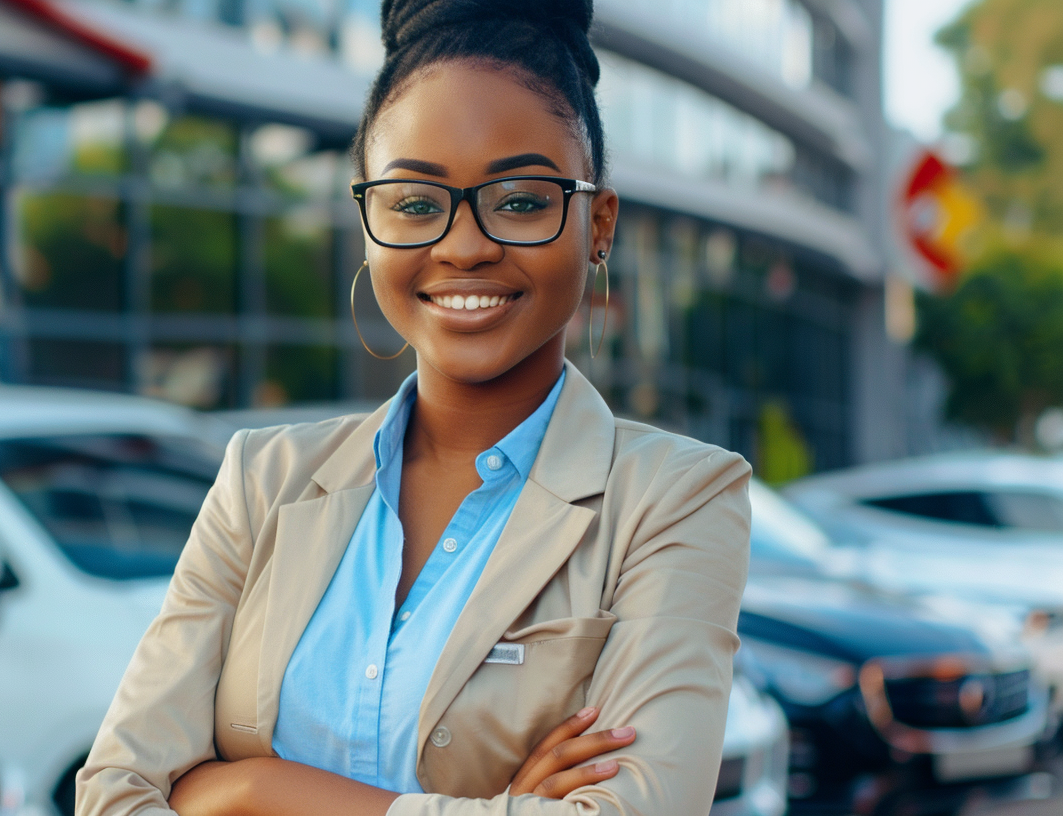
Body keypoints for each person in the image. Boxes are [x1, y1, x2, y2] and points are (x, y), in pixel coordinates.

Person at [77, 0, 751, 813]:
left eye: (522, 200)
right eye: (416, 203)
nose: (464, 246)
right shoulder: (264, 481)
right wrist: (502, 806)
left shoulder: (677, 499)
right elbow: (115, 794)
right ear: (368, 219)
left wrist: (248, 788)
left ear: (597, 224)